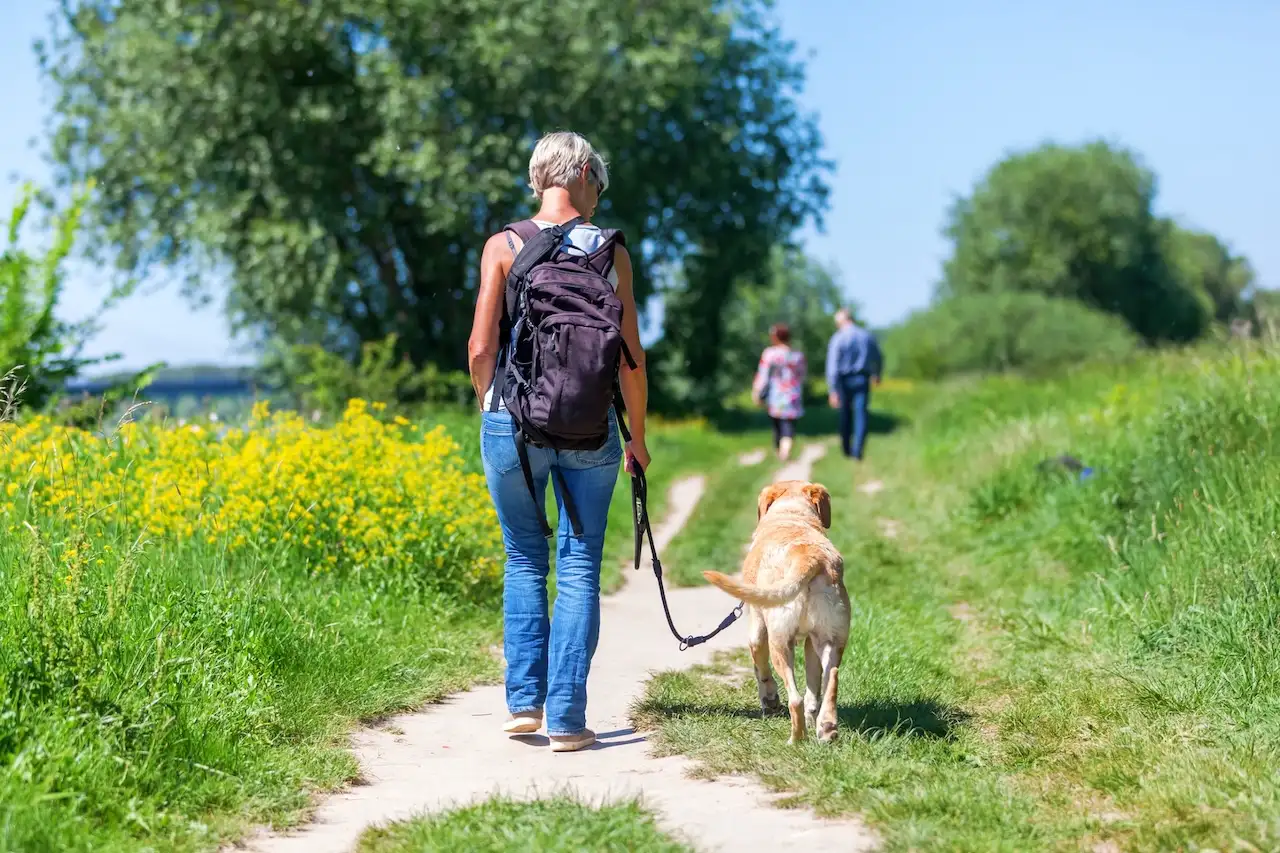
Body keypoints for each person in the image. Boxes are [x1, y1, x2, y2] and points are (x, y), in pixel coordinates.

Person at [467, 131, 649, 753]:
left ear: (541, 178)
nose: (600, 192)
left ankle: (525, 705)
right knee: (578, 565)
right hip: (591, 427)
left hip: (512, 423)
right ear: (580, 177)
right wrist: (640, 439)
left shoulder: (503, 245)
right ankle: (569, 719)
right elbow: (631, 359)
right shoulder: (612, 252)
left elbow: (480, 346)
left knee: (523, 557)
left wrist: (492, 404)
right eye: (599, 179)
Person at [825, 307, 882, 460]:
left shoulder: (838, 338)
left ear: (841, 321)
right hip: (862, 379)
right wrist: (877, 374)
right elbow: (878, 356)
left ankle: (846, 449)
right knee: (861, 415)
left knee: (845, 414)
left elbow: (832, 366)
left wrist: (832, 389)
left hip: (843, 381)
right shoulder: (866, 336)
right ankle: (858, 451)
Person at [751, 322, 806, 461]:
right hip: (793, 395)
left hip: (775, 396)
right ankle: (785, 449)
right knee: (789, 427)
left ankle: (780, 450)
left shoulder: (770, 354)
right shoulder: (797, 356)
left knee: (777, 426)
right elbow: (802, 376)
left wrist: (757, 392)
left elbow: (763, 375)